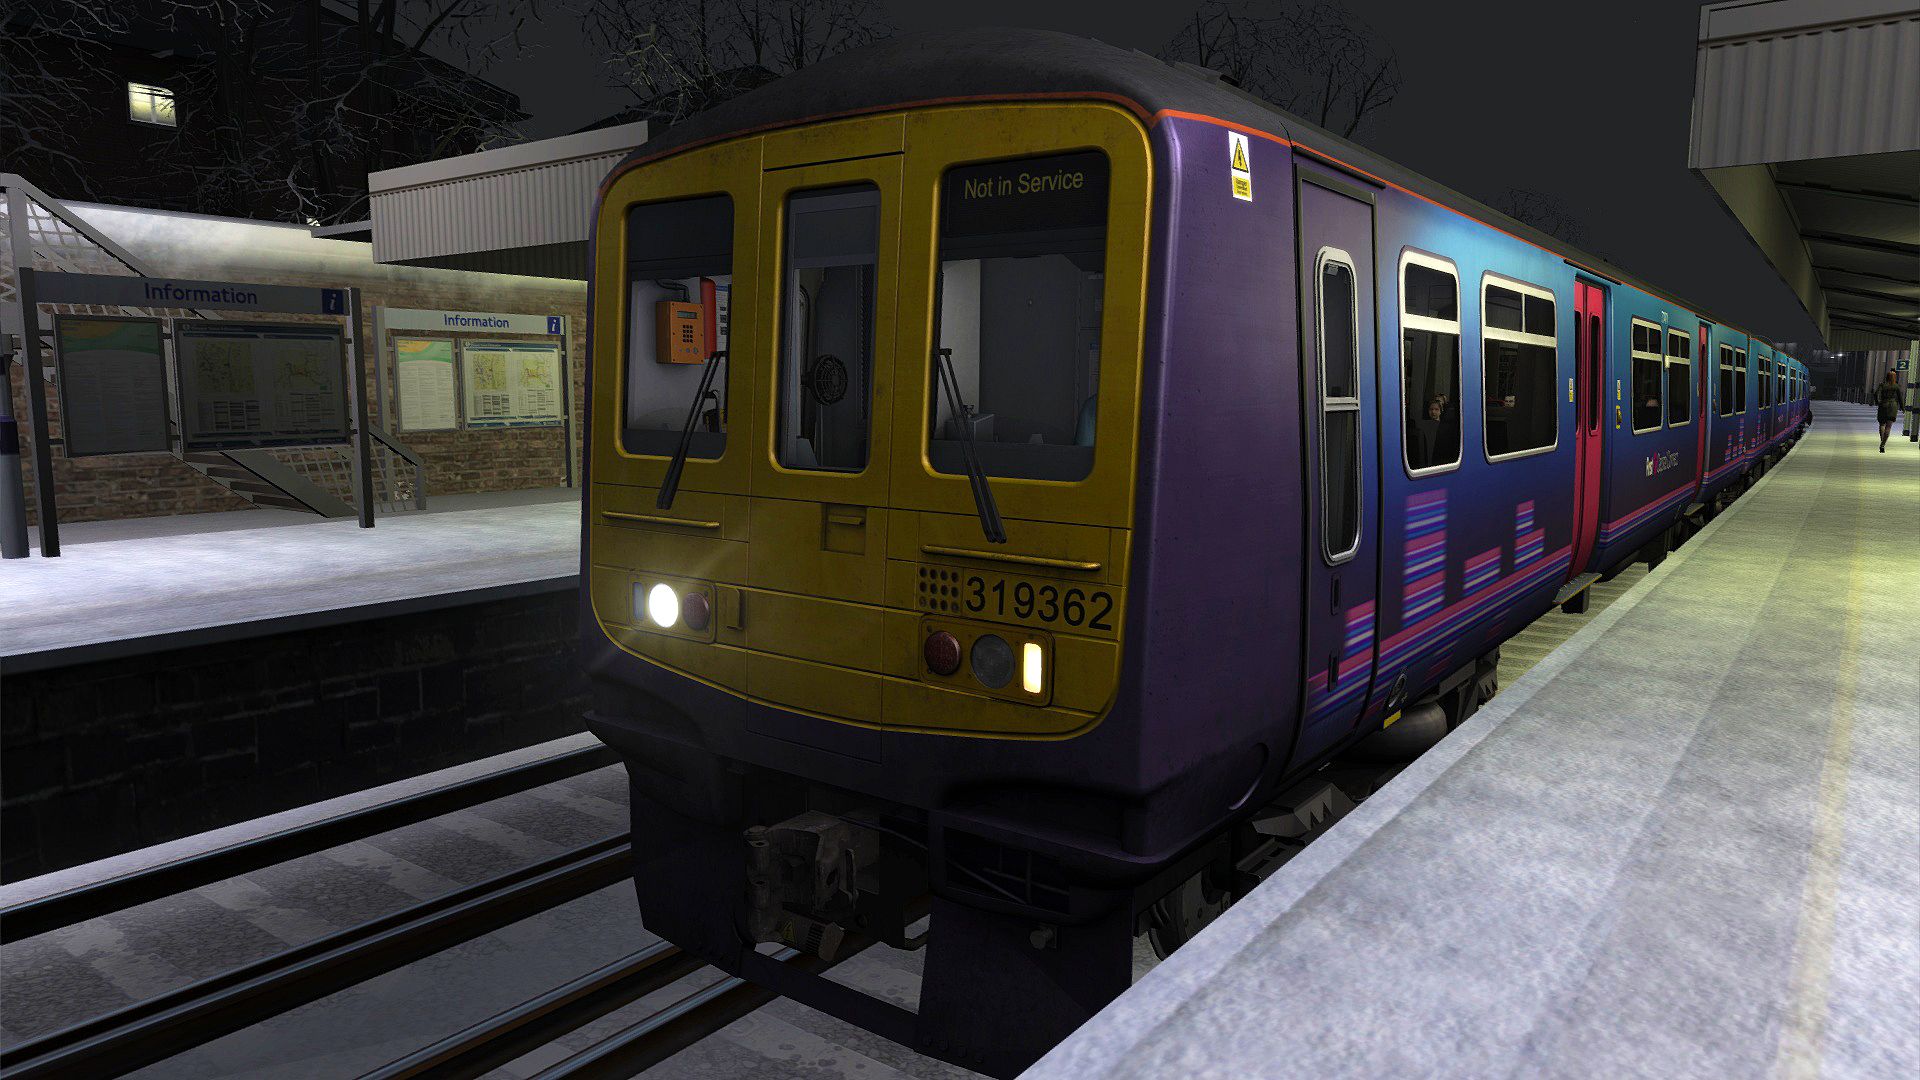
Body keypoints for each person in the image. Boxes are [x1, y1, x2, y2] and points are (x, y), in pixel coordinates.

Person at [1875, 370, 1903, 452]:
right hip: (1892, 407)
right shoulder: (1896, 386)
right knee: (1888, 426)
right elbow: (1900, 398)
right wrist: (1902, 407)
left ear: (1887, 377)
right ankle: (1883, 444)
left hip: (1883, 405)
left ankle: (1882, 441)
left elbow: (1876, 394)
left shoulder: (1882, 385)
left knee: (1882, 424)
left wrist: (1878, 402)